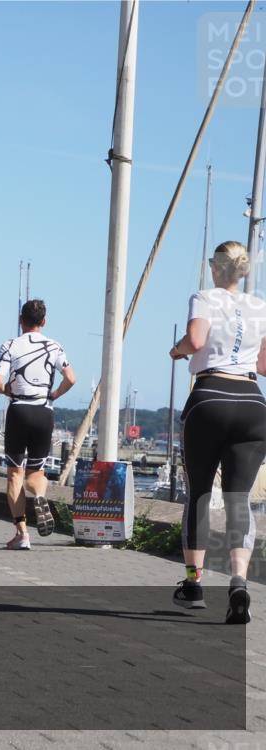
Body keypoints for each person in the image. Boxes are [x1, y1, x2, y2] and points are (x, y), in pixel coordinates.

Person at [170, 241, 266, 622]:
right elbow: (263, 364)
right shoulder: (260, 305)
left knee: (199, 491)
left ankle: (193, 583)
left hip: (211, 396)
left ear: (215, 268)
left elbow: (195, 340)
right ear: (241, 272)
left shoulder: (204, 297)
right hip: (252, 402)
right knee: (240, 498)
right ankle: (239, 581)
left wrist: (176, 352)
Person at [0, 299, 76, 550]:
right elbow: (71, 378)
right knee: (36, 472)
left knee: (15, 474)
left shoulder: (10, 345)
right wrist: (54, 394)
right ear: (44, 321)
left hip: (19, 410)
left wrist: (9, 391)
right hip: (44, 412)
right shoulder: (55, 346)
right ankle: (39, 496)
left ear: (21, 320)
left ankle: (21, 534)